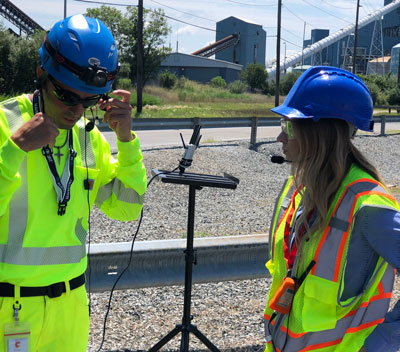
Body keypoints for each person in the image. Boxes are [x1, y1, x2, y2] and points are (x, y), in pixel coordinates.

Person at [0, 14, 147, 351]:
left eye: (91, 101)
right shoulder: (4, 124)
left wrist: (125, 141)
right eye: (67, 96)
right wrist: (14, 150)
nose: (77, 111)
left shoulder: (87, 139)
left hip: (71, 308)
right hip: (9, 308)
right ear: (41, 74)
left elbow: (126, 207)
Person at [264, 66, 400, 352]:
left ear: (319, 134)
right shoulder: (299, 188)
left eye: (289, 127)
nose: (280, 138)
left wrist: (382, 340)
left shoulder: (368, 205)